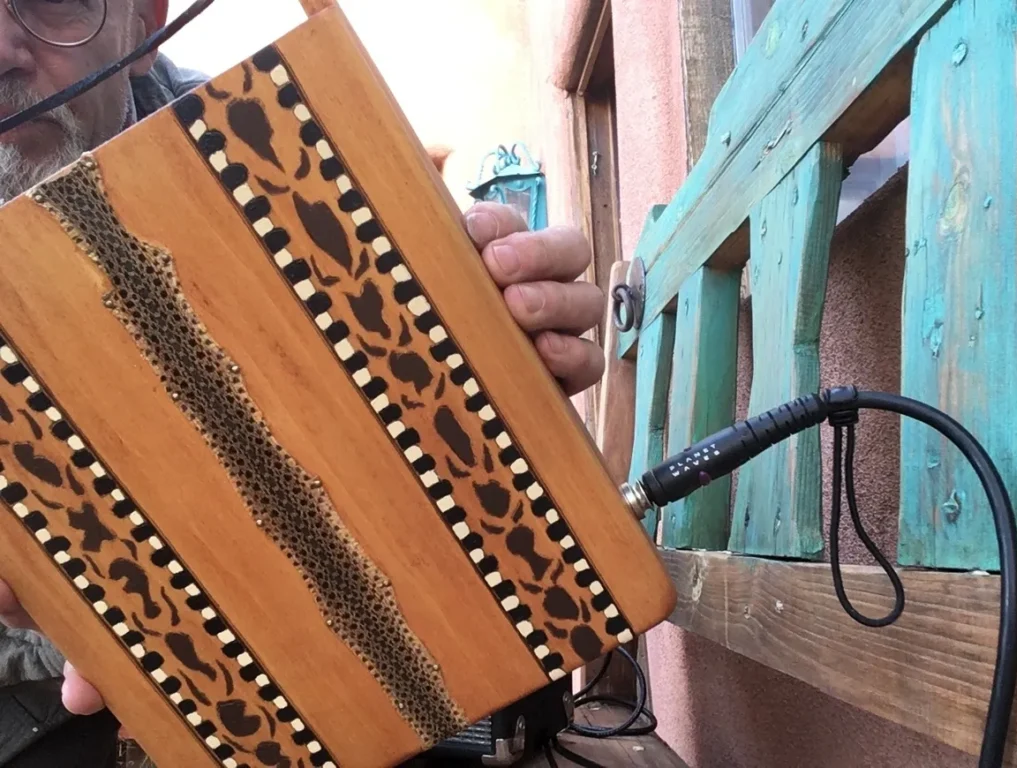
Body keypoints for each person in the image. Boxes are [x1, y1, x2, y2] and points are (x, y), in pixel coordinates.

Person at [0, 0, 605, 765]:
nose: (0, 50)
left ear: (145, 25)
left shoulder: (283, 146)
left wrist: (509, 365)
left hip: (373, 663)